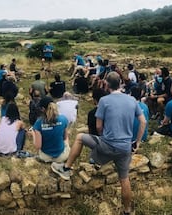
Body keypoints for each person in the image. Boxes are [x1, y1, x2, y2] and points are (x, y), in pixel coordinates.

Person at [51, 72, 146, 215]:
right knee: (124, 179)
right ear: (120, 83)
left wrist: (103, 138)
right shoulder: (132, 100)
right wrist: (136, 142)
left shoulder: (104, 101)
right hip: (125, 148)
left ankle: (66, 168)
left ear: (107, 84)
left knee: (80, 137)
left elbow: (99, 126)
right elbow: (143, 121)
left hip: (107, 144)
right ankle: (127, 210)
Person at [30, 96, 70, 163]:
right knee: (66, 139)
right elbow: (65, 137)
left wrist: (33, 133)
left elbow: (38, 146)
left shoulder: (39, 123)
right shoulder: (63, 119)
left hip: (45, 157)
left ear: (42, 109)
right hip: (62, 156)